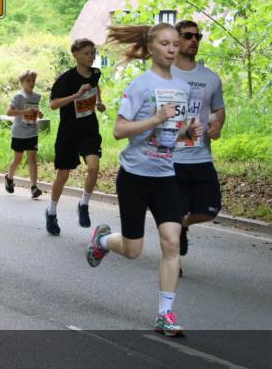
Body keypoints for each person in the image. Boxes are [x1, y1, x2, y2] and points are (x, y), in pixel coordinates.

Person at [85, 23, 201, 337]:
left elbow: (169, 134)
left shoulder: (182, 88)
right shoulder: (140, 85)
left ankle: (165, 314)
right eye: (166, 44)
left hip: (165, 175)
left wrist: (185, 132)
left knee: (171, 242)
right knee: (134, 251)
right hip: (135, 175)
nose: (173, 49)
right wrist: (155, 118)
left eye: (176, 44)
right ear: (151, 49)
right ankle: (103, 241)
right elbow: (120, 131)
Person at [172, 20, 226, 275]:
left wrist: (217, 125)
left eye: (198, 36)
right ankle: (174, 261)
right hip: (171, 159)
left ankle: (183, 224)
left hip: (201, 156)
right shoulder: (164, 74)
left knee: (210, 209)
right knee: (175, 210)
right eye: (188, 35)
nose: (194, 40)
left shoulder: (210, 78)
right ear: (177, 39)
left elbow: (218, 110)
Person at [45, 38, 106, 235]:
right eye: (87, 53)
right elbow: (53, 105)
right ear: (75, 55)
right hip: (69, 132)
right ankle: (52, 212)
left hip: (89, 129)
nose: (91, 56)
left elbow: (95, 88)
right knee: (63, 175)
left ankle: (84, 204)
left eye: (93, 53)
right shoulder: (66, 79)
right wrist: (76, 96)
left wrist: (99, 102)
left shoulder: (96, 73)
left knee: (94, 167)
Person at [5, 70, 43, 198]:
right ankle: (9, 178)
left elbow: (36, 109)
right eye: (28, 81)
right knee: (18, 159)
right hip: (19, 132)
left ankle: (34, 187)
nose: (31, 83)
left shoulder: (36, 96)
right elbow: (9, 112)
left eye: (33, 81)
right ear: (22, 82)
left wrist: (39, 113)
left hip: (32, 131)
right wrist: (23, 111)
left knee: (32, 159)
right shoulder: (18, 97)